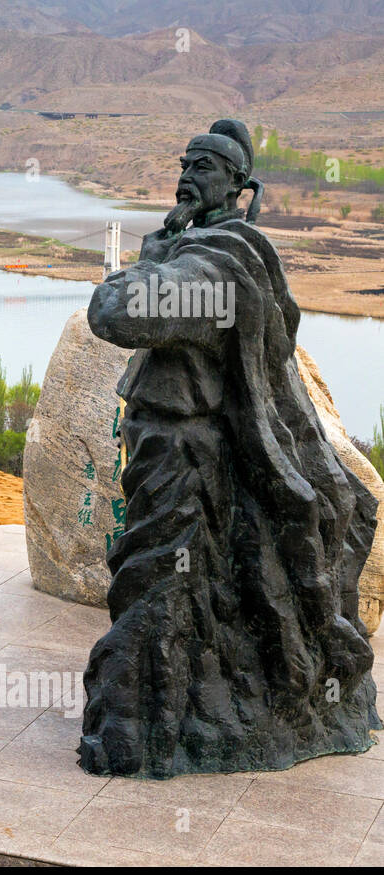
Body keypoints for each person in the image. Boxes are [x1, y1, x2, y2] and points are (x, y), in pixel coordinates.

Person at [79, 119, 380, 778]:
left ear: (239, 188)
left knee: (162, 584)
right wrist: (166, 240)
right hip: (163, 444)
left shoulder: (217, 264)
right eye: (185, 163)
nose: (188, 174)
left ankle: (139, 728)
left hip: (185, 459)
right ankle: (177, 717)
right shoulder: (198, 246)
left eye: (206, 167)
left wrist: (153, 256)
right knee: (182, 592)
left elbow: (116, 313)